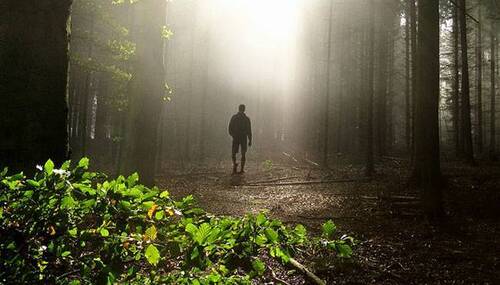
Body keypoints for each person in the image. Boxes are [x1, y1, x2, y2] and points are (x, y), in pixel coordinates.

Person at [228, 104, 252, 174]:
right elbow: (249, 130)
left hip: (237, 137)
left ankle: (236, 166)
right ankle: (241, 168)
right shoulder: (246, 119)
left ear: (239, 109)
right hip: (242, 138)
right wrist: (250, 139)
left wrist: (233, 135)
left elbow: (230, 128)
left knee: (235, 153)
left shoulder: (235, 117)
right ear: (244, 109)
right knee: (242, 153)